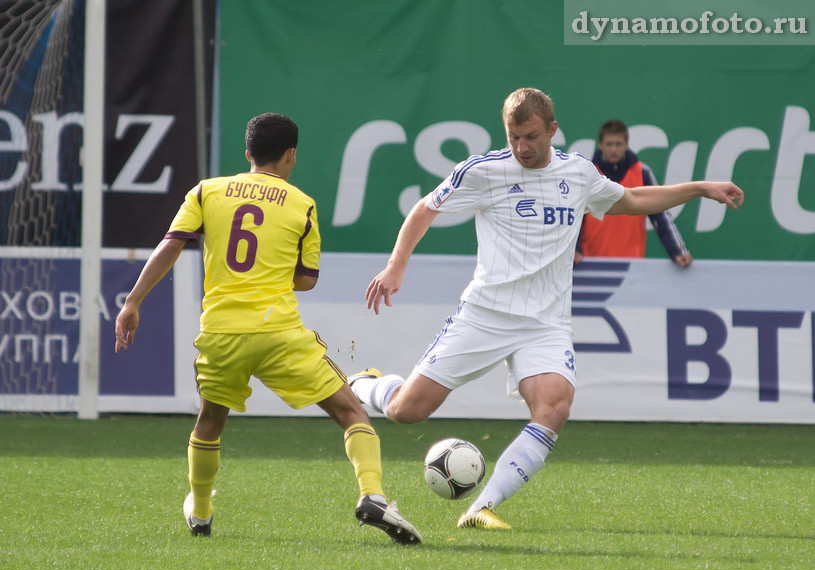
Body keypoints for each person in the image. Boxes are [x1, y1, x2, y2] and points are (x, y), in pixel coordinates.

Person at [349, 88, 742, 530]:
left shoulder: (577, 173)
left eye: (531, 136)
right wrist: (395, 267)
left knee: (555, 405)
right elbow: (425, 209)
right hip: (485, 314)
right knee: (407, 411)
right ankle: (367, 384)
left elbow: (632, 201)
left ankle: (481, 507)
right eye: (514, 136)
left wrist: (699, 188)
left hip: (545, 324)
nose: (522, 147)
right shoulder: (485, 170)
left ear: (552, 130)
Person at [114, 113, 421, 545]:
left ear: (248, 154)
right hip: (278, 333)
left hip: (221, 333)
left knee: (210, 419)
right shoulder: (302, 204)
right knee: (351, 410)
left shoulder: (207, 191)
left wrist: (132, 302)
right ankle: (372, 495)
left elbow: (172, 244)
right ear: (291, 155)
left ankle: (201, 511)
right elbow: (306, 279)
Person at [575, 119, 692, 267]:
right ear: (600, 145)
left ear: (626, 145)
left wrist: (677, 251)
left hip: (632, 265)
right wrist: (575, 249)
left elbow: (660, 216)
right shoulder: (587, 173)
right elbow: (575, 215)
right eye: (609, 144)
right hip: (589, 264)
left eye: (618, 144)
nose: (613, 149)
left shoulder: (642, 173)